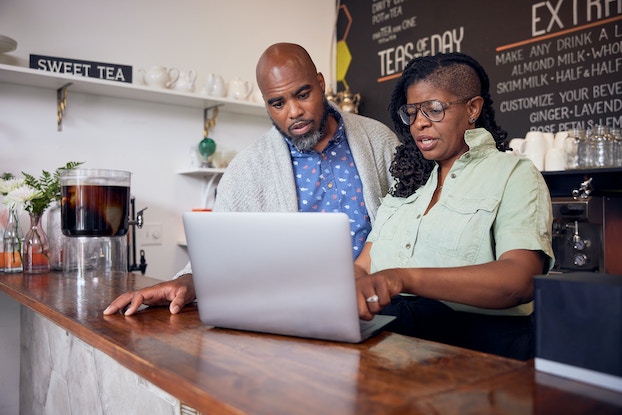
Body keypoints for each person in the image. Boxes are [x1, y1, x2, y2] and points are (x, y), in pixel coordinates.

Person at [103, 43, 398, 316]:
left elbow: (411, 224)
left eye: (303, 94)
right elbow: (220, 250)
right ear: (266, 104)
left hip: (382, 307)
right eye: (278, 103)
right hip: (290, 313)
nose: (294, 112)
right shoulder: (247, 168)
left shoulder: (378, 141)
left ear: (321, 84)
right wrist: (187, 282)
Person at [353, 52, 554, 360]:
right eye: (412, 112)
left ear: (473, 108)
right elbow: (363, 266)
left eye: (433, 109)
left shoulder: (513, 174)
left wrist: (403, 278)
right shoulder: (407, 184)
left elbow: (519, 280)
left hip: (477, 357)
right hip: (389, 349)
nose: (419, 123)